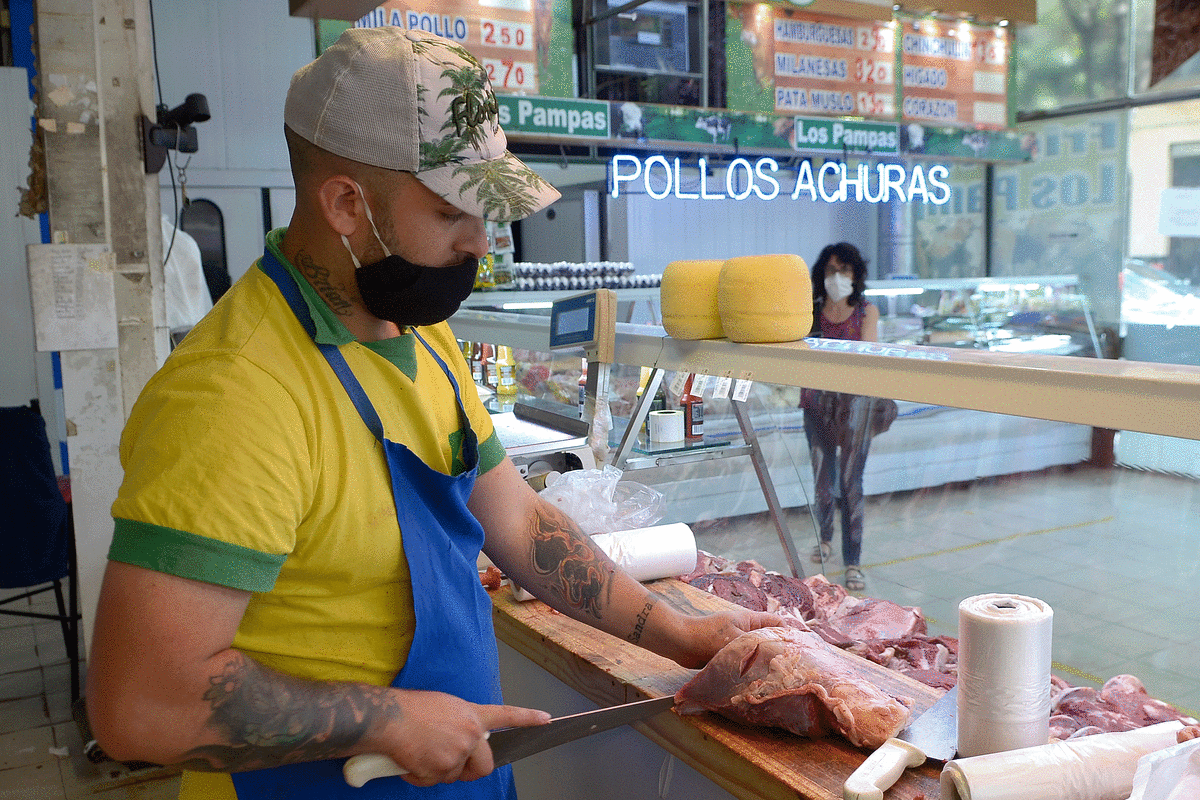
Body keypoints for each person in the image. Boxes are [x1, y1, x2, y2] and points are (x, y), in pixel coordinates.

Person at [86, 27, 782, 800]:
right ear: (347, 203)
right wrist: (384, 720)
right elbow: (140, 704)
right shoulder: (234, 396)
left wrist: (676, 633)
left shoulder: (419, 334)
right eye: (455, 212)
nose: (483, 241)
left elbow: (515, 520)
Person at [802, 243, 881, 593]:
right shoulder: (810, 312)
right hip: (816, 407)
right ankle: (825, 539)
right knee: (822, 481)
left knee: (850, 485)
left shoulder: (866, 312)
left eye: (845, 270)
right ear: (822, 273)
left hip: (854, 412)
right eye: (831, 269)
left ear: (856, 274)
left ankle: (853, 561)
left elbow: (870, 359)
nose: (837, 276)